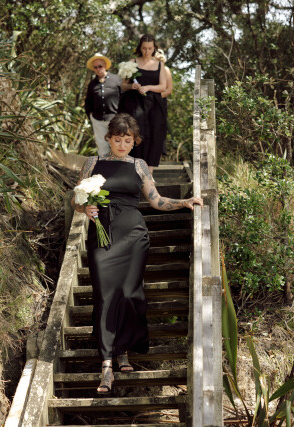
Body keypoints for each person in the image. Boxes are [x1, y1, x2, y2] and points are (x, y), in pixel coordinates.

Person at [71, 113, 203, 394]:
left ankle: (123, 352)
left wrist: (184, 202)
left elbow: (156, 201)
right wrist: (85, 208)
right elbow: (76, 200)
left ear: (134, 142)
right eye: (117, 139)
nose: (122, 145)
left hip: (133, 234)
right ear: (109, 138)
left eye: (127, 140)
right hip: (103, 233)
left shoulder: (139, 165)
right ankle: (107, 365)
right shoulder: (92, 163)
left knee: (130, 294)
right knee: (106, 295)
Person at [118, 34, 167, 174]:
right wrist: (131, 86)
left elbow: (163, 86)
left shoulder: (159, 64)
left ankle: (149, 172)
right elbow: (123, 86)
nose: (147, 51)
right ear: (140, 48)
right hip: (134, 104)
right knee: (135, 131)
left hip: (153, 105)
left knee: (154, 133)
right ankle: (133, 168)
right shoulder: (132, 62)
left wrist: (148, 87)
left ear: (154, 48)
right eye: (144, 48)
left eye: (150, 48)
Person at [84, 53, 123, 156]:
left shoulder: (116, 80)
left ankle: (118, 166)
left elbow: (124, 98)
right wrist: (90, 116)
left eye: (100, 66)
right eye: (95, 67)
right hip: (98, 120)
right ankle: (104, 166)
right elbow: (88, 102)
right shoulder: (92, 84)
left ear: (105, 65)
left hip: (115, 119)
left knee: (117, 146)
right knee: (102, 147)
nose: (98, 69)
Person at [154, 49, 173, 156]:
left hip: (160, 103)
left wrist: (154, 98)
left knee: (159, 128)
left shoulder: (166, 70)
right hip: (145, 103)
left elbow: (169, 90)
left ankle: (159, 153)